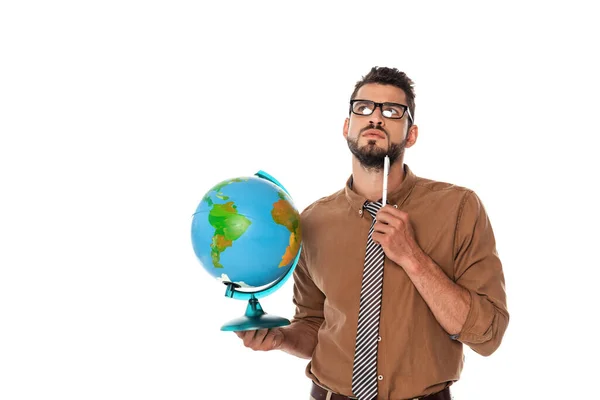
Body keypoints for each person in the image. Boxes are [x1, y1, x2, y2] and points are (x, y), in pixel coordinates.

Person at [235, 67, 509, 400]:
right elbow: (313, 325)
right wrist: (279, 338)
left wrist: (412, 256)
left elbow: (488, 335)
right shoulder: (312, 220)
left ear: (411, 134)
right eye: (363, 107)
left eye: (392, 111)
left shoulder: (459, 208)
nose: (376, 118)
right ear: (347, 126)